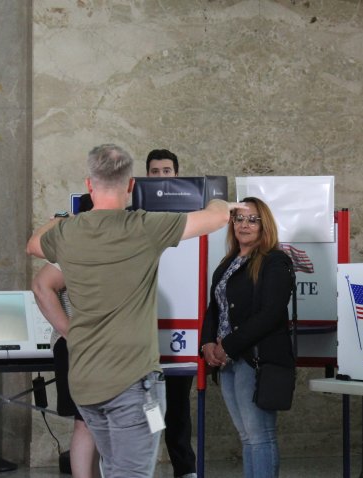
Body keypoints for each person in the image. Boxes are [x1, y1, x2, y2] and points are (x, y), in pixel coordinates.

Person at [26, 144, 236, 476]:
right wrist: (219, 199)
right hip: (131, 384)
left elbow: (33, 245)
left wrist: (59, 220)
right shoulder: (144, 227)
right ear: (131, 186)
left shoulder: (67, 232)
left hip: (85, 381)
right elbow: (217, 217)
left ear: (90, 184)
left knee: (113, 469)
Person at [201, 197, 295, 478]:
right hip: (227, 362)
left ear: (264, 225)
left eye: (253, 219)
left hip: (255, 360)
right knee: (246, 437)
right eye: (239, 218)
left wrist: (226, 346)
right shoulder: (228, 262)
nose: (245, 225)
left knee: (260, 436)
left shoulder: (275, 261)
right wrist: (207, 344)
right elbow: (214, 308)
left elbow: (271, 313)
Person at [32, 194, 100, 478]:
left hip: (101, 347)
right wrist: (69, 331)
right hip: (80, 348)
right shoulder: (73, 251)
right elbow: (40, 286)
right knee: (85, 422)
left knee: (96, 422)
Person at [145, 148, 197, 478]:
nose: (162, 177)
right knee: (148, 409)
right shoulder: (135, 217)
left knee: (178, 408)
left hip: (182, 332)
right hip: (144, 335)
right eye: (155, 172)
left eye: (167, 171)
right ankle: (143, 468)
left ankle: (185, 470)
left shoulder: (193, 218)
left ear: (177, 174)